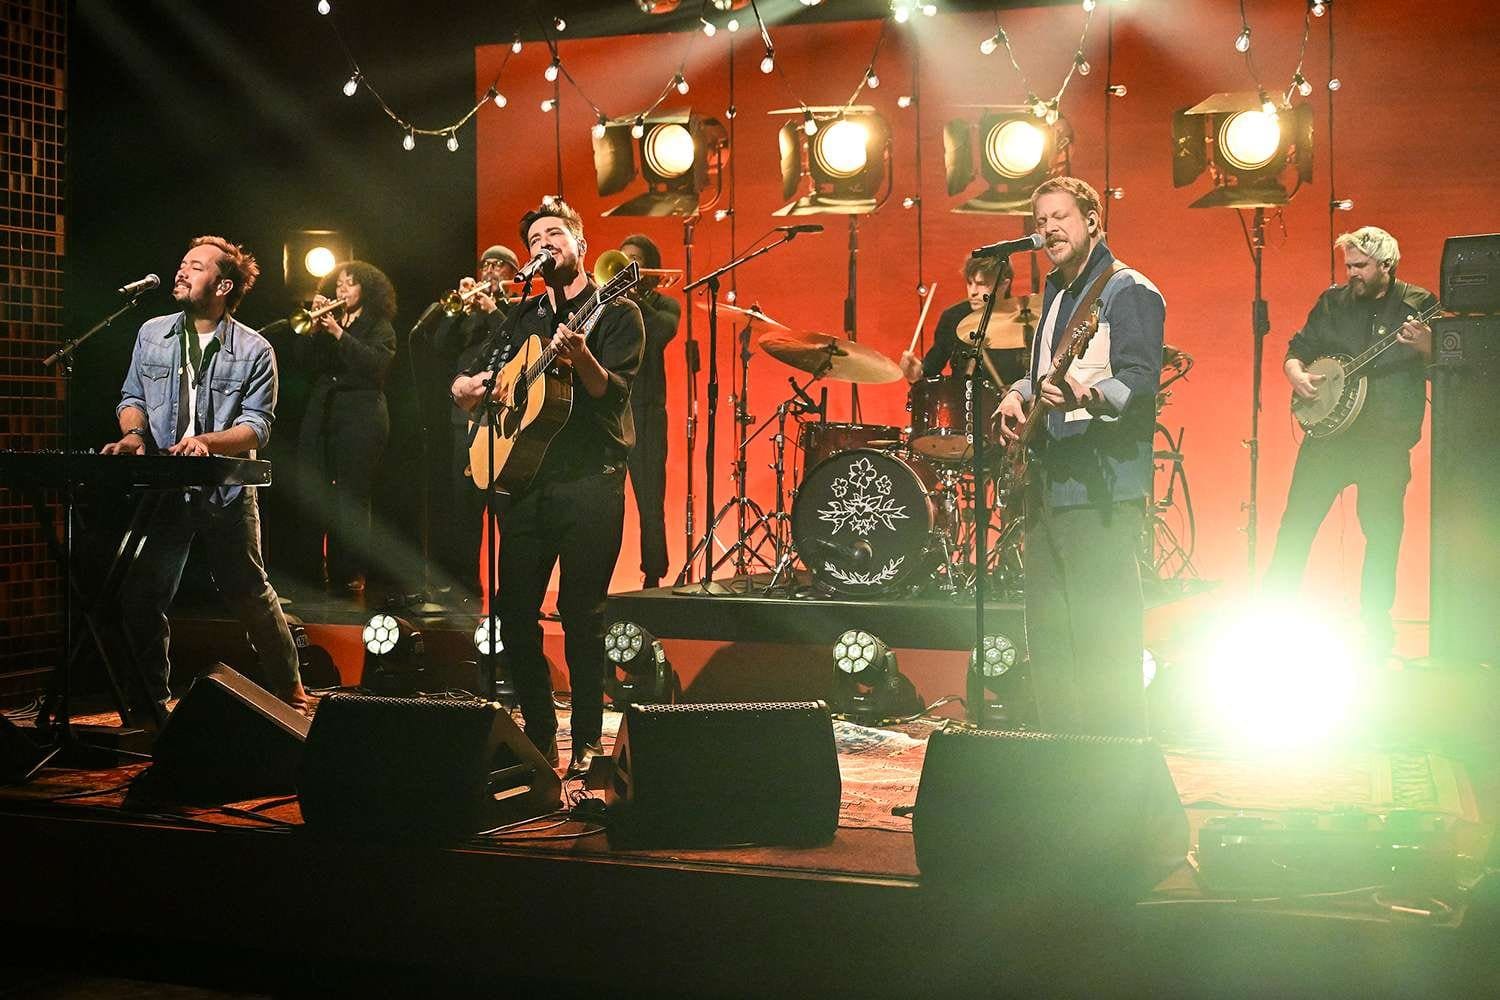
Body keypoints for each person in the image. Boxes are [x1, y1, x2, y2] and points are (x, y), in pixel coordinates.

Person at [450, 199, 644, 774]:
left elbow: (611, 394)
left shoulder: (617, 311)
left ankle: (585, 741)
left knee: (582, 614)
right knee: (513, 613)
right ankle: (537, 733)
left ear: (580, 244)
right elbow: (485, 368)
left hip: (591, 482)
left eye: (554, 234)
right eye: (535, 240)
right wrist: (466, 385)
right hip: (527, 483)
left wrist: (581, 357)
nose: (543, 245)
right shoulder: (526, 313)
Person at [102, 236, 307, 715]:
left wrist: (207, 442)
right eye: (182, 263)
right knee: (144, 593)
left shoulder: (255, 348)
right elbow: (132, 397)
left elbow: (258, 426)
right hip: (165, 487)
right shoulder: (151, 333)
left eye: (195, 267)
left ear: (223, 285)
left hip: (226, 490)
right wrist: (133, 435)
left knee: (248, 591)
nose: (181, 271)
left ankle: (291, 692)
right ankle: (150, 704)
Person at [995, 177, 1165, 738]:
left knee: (1104, 642)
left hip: (1101, 489)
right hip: (1050, 486)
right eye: (1040, 221)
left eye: (1060, 217)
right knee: (1050, 639)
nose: (1049, 230)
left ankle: (1117, 763)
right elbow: (1046, 373)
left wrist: (1086, 397)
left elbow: (1140, 379)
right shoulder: (1055, 292)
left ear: (1092, 220)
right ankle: (1060, 755)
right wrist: (1017, 394)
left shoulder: (1128, 289)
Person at [1265, 226, 1435, 658]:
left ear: (1386, 265)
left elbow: (1448, 364)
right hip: (1329, 439)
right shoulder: (1332, 303)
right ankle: (1272, 617)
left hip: (1385, 442)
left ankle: (1376, 628)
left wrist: (1427, 346)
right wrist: (1295, 373)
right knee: (1296, 525)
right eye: (1349, 266)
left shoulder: (1418, 305)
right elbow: (1298, 348)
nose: (1353, 273)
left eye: (1361, 266)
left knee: (1382, 534)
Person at [296, 260, 397, 594]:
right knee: (315, 490)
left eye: (350, 283)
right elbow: (304, 362)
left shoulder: (380, 326)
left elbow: (374, 364)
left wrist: (339, 333)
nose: (342, 290)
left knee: (351, 497)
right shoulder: (328, 322)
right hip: (324, 412)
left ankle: (348, 571)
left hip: (362, 416)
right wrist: (314, 331)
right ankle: (310, 570)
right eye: (338, 284)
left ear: (366, 289)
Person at [431, 245, 519, 598]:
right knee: (465, 506)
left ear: (512, 272)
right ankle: (467, 584)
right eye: (486, 264)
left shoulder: (517, 308)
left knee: (507, 510)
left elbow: (519, 344)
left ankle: (513, 589)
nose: (490, 270)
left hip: (506, 416)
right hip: (466, 419)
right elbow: (440, 345)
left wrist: (493, 311)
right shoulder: (468, 313)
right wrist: (457, 312)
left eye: (499, 265)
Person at [619, 234, 681, 588]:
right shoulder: (608, 303)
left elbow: (659, 333)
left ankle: (653, 575)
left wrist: (636, 297)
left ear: (649, 268)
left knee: (650, 501)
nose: (627, 265)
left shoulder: (664, 304)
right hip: (610, 412)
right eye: (622, 258)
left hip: (646, 413)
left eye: (636, 260)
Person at [899, 255, 1029, 386]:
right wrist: (918, 375)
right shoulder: (953, 317)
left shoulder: (1025, 320)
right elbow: (931, 369)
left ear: (1004, 285)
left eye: (981, 284)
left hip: (1012, 397)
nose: (973, 292)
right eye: (969, 283)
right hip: (962, 397)